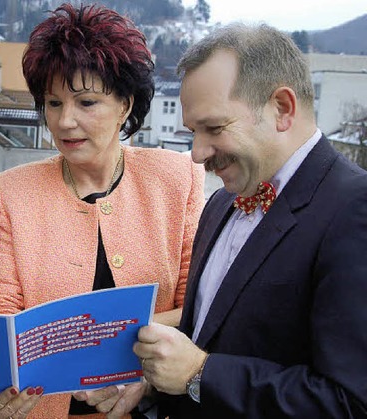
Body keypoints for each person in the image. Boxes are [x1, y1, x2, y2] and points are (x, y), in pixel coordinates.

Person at [0, 4, 205, 419]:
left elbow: (197, 306)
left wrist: (134, 369)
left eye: (86, 102)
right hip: (38, 406)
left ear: (125, 105)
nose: (65, 122)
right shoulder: (9, 191)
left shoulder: (177, 178)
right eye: (53, 102)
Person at [132, 23, 367, 418]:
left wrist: (200, 374)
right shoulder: (221, 204)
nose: (197, 153)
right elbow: (203, 340)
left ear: (282, 109)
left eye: (214, 128)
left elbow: (349, 402)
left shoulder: (354, 210)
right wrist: (151, 384)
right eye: (193, 132)